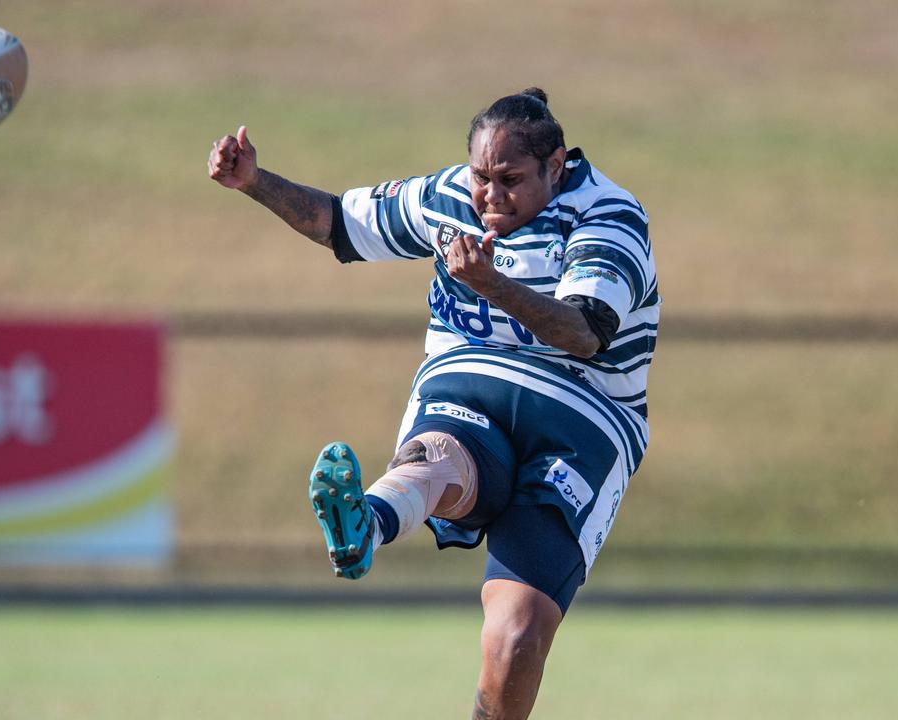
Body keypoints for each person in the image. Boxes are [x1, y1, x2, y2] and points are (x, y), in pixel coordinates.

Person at [208, 88, 658, 719]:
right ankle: (367, 522)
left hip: (580, 417)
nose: (491, 197)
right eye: (482, 177)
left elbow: (583, 333)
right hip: (469, 383)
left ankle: (383, 520)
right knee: (440, 458)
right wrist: (254, 181)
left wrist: (489, 284)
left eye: (511, 180)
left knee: (518, 638)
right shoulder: (449, 198)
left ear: (556, 166)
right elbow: (338, 222)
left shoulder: (607, 214)